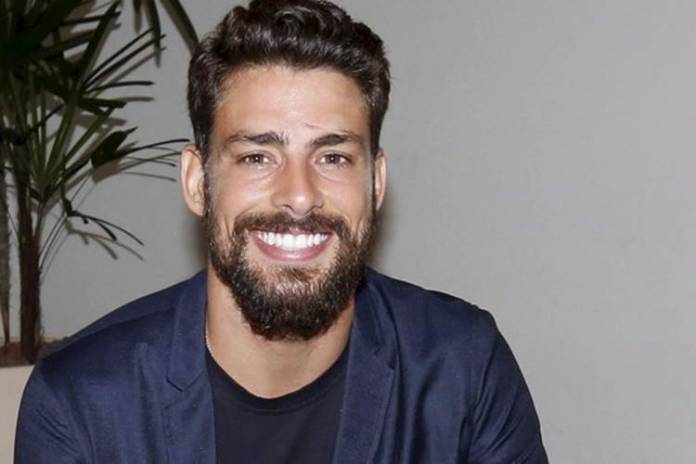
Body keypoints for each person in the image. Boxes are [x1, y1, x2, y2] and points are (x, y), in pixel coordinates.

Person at [15, 0, 548, 462]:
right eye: (257, 156)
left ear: (376, 182)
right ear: (198, 182)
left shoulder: (464, 367)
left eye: (333, 157)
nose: (299, 194)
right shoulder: (81, 401)